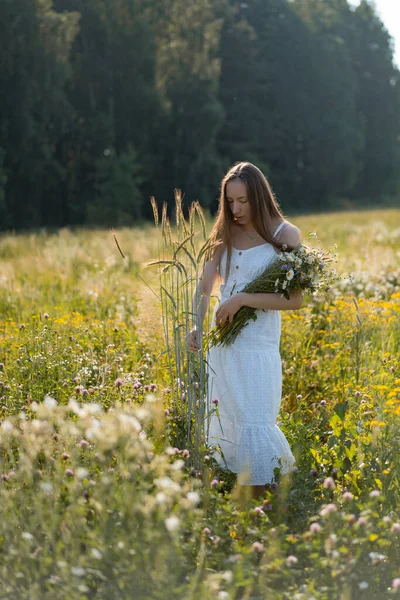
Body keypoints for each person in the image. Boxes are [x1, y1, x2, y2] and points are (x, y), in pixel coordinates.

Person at [187, 161, 303, 500]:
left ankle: (264, 510)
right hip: (223, 347)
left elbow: (294, 300)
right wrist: (195, 324)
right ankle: (245, 513)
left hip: (258, 347)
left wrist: (242, 299)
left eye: (243, 201)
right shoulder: (223, 234)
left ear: (259, 196)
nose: (236, 209)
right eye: (230, 201)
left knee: (256, 419)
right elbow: (203, 287)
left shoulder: (285, 235)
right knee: (230, 423)